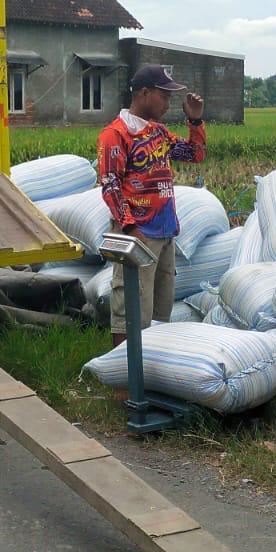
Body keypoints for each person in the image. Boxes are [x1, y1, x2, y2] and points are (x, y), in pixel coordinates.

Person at [97, 65, 206, 348]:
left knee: (160, 309)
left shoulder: (159, 133)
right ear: (144, 94)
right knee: (131, 308)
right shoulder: (116, 135)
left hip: (164, 230)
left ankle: (152, 370)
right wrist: (130, 226)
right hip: (137, 232)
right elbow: (110, 184)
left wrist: (195, 122)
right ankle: (124, 381)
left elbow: (194, 154)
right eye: (164, 96)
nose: (168, 103)